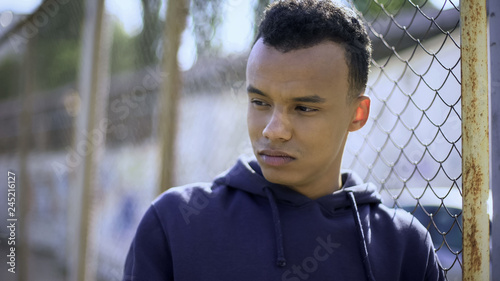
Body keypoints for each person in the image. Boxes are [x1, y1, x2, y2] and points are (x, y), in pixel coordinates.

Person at [123, 0, 445, 280]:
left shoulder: (404, 246)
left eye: (304, 108)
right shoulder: (175, 223)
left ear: (357, 114)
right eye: (260, 103)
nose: (273, 130)